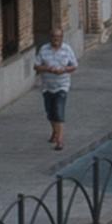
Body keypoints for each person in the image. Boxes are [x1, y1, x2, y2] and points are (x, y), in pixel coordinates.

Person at [34, 23, 79, 151]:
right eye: (54, 37)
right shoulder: (44, 49)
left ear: (62, 37)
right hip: (47, 86)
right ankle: (54, 132)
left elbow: (74, 65)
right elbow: (36, 66)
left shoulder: (67, 49)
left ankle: (59, 140)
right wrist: (48, 68)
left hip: (62, 85)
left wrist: (64, 69)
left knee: (58, 111)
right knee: (50, 112)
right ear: (50, 37)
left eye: (58, 37)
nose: (56, 39)